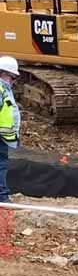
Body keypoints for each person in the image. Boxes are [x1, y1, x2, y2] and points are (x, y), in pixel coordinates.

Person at [0, 55, 22, 204]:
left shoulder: (4, 88)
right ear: (3, 74)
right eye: (13, 77)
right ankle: (2, 197)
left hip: (3, 136)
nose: (14, 81)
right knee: (1, 165)